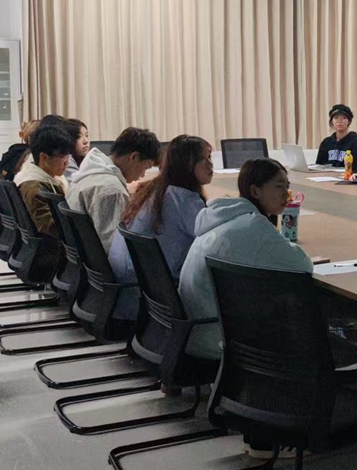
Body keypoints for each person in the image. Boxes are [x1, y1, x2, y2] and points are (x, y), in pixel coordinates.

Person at [179, 157, 313, 361]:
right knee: (304, 302)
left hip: (194, 332)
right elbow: (303, 266)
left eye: (287, 186)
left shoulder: (223, 216)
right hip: (219, 341)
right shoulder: (253, 226)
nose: (286, 193)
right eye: (279, 186)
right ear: (255, 191)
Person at [108, 135, 213, 320]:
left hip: (133, 295)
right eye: (203, 159)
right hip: (150, 300)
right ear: (187, 165)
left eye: (210, 157)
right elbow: (212, 242)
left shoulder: (156, 190)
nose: (210, 165)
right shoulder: (183, 199)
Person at [67, 127, 161, 253]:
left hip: (82, 257)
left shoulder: (88, 172)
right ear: (134, 157)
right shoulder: (111, 190)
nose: (143, 175)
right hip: (100, 261)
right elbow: (112, 248)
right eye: (146, 167)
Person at [14, 125, 73, 237]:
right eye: (62, 157)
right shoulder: (33, 187)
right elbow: (49, 226)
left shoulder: (49, 176)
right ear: (44, 157)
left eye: (68, 156)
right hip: (53, 246)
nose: (67, 163)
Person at [315, 104, 357, 168]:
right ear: (332, 122)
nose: (339, 121)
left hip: (347, 173)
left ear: (349, 121)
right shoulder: (326, 142)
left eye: (344, 118)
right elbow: (319, 166)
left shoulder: (355, 142)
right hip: (327, 173)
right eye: (336, 118)